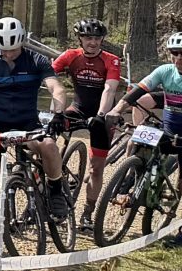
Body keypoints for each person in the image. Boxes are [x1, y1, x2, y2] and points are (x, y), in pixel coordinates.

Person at [126, 32, 182, 248]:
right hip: (167, 132)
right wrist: (116, 109)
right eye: (174, 53)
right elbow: (138, 92)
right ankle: (128, 180)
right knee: (135, 142)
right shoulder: (165, 70)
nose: (179, 58)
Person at [0, 15, 64, 227]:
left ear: (22, 42)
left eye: (12, 49)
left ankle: (56, 189)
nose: (8, 54)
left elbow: (56, 88)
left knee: (49, 146)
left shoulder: (36, 60)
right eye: (3, 50)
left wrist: (58, 113)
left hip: (28, 123)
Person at [52, 19, 129, 216]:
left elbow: (109, 89)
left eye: (97, 38)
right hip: (77, 108)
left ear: (102, 39)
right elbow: (47, 76)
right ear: (80, 39)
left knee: (96, 168)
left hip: (102, 113)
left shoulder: (111, 60)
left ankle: (88, 212)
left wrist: (101, 115)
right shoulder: (70, 55)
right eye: (88, 38)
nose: (92, 42)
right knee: (46, 137)